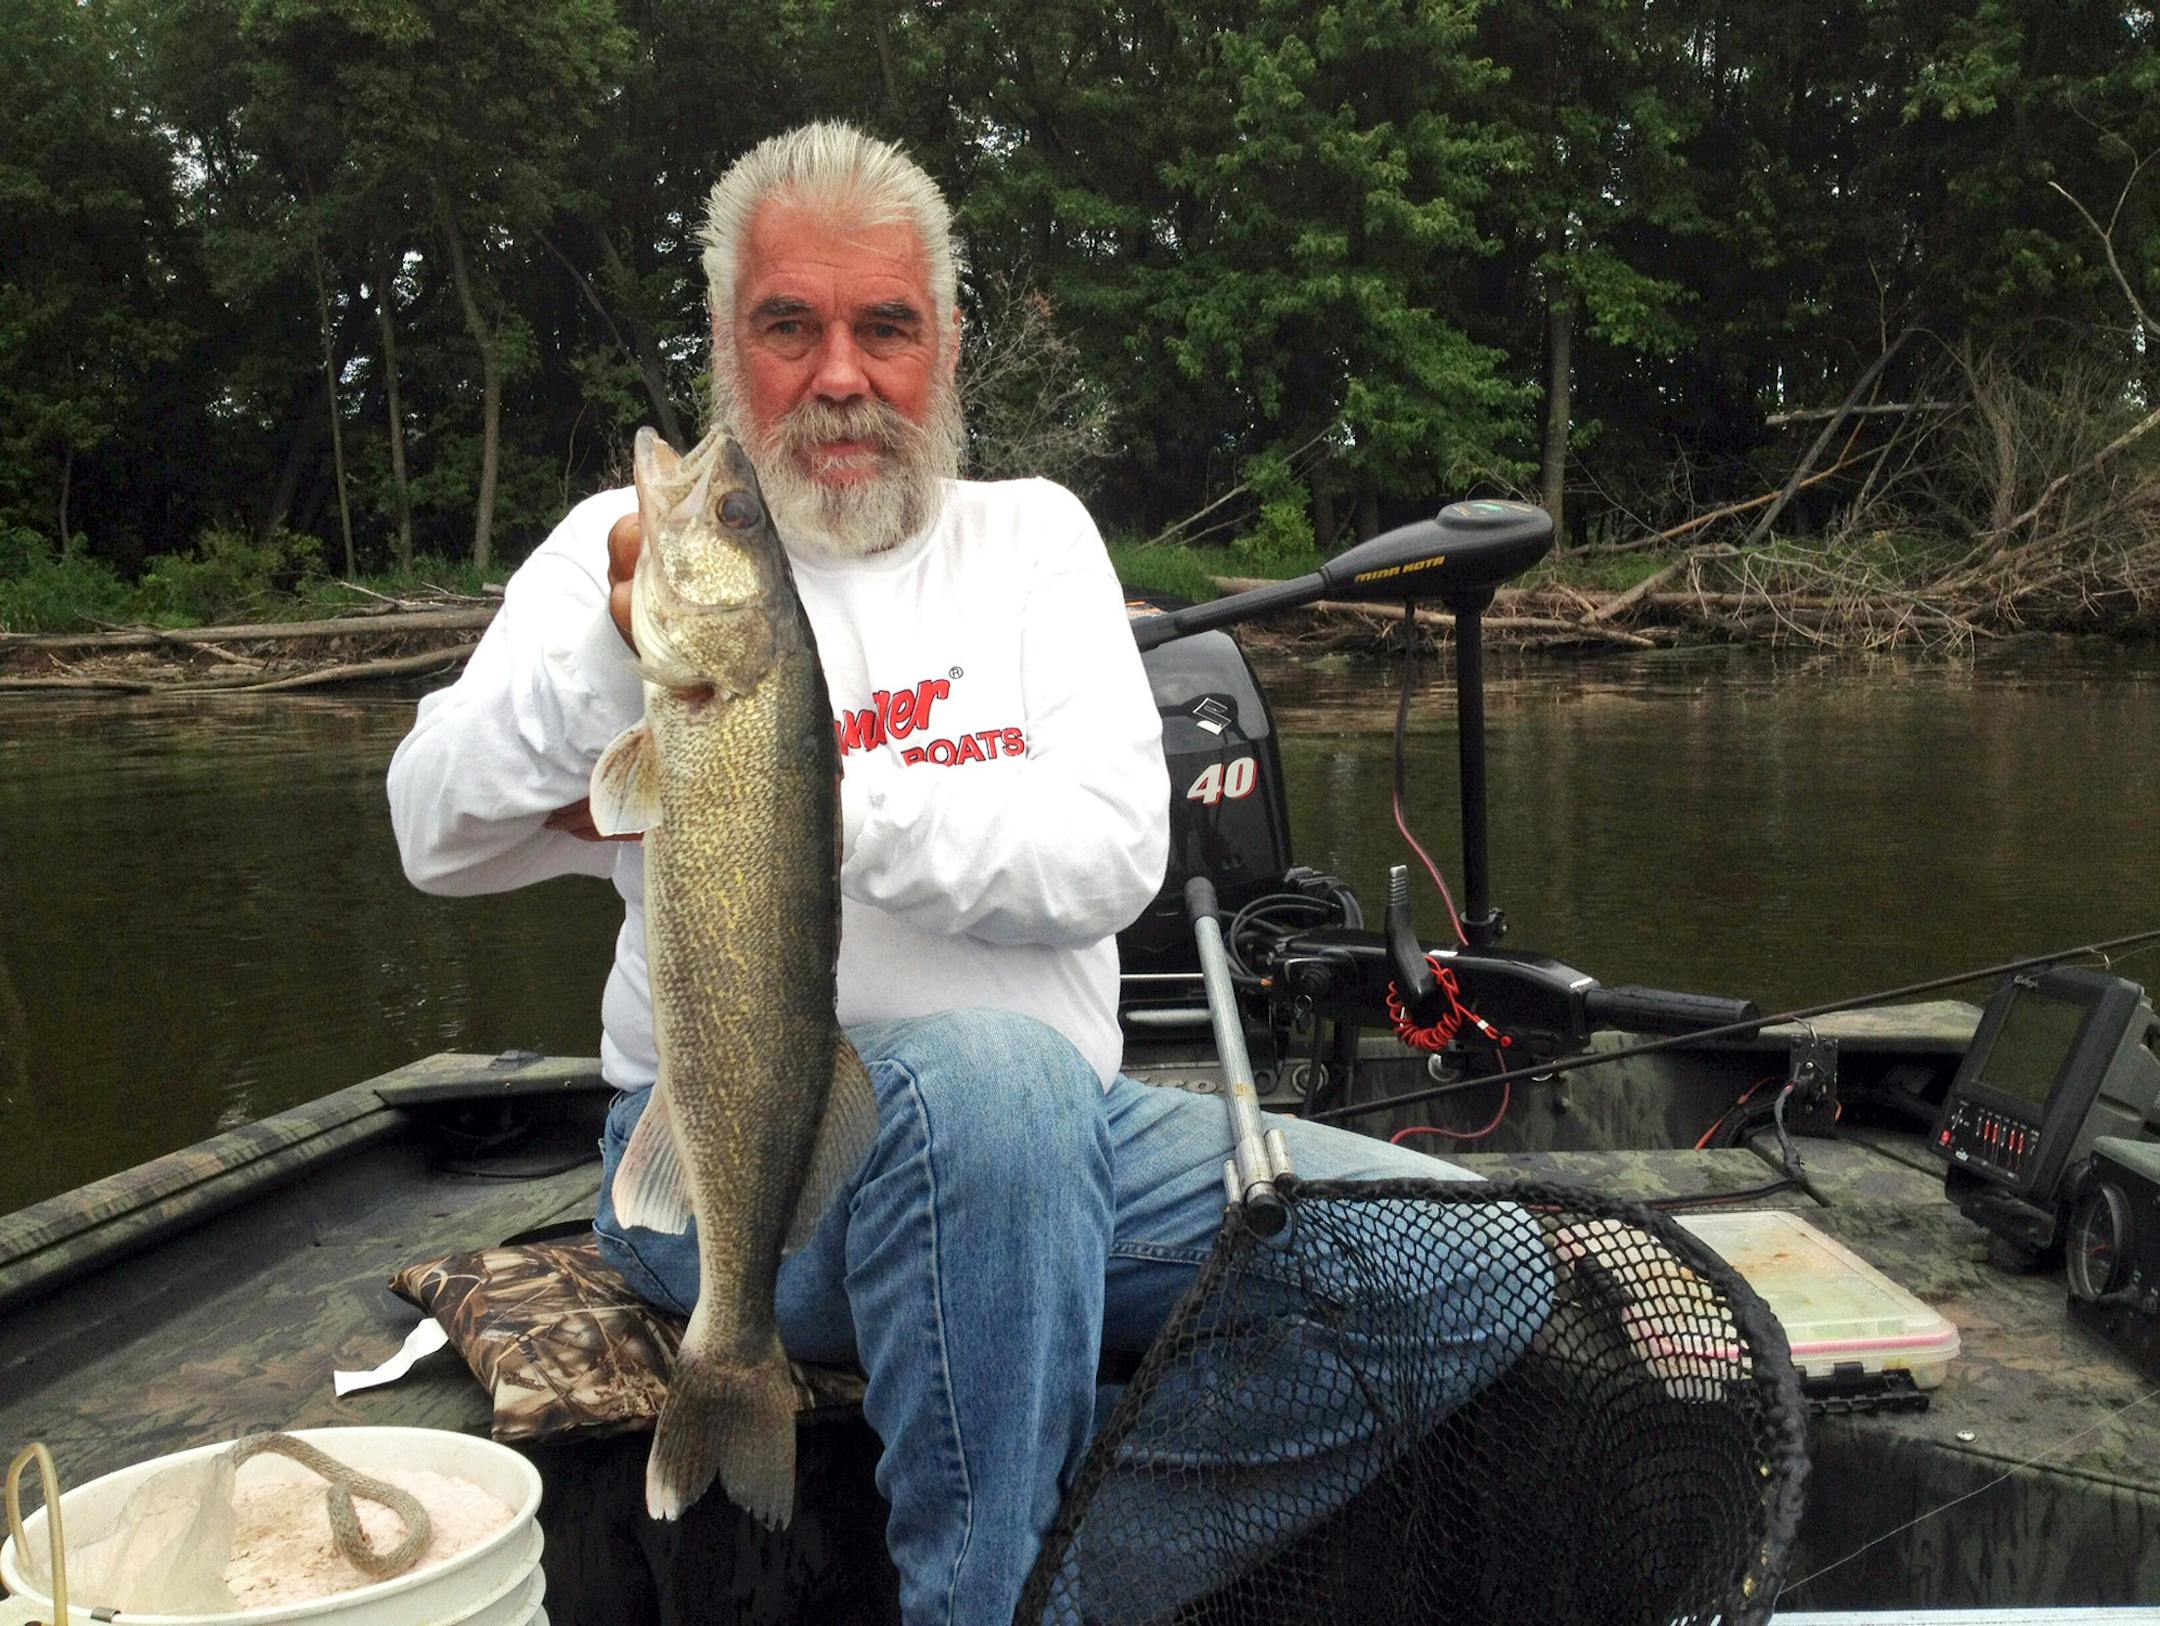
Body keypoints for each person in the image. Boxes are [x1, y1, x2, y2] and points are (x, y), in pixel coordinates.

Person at [388, 120, 1545, 1626]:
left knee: (1482, 1268)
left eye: (887, 326)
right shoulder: (620, 556)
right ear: (729, 348)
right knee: (988, 1089)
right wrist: (619, 658)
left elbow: (1113, 854)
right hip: (730, 1168)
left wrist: (810, 788)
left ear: (946, 348)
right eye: (788, 325)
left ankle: (1065, 1593)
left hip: (1071, 1155)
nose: (840, 374)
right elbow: (435, 831)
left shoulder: (1035, 544)